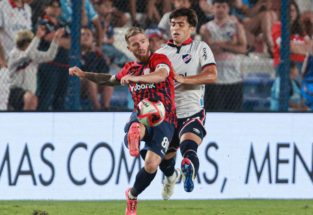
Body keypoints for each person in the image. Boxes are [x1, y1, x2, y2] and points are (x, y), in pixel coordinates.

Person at [69, 26, 177, 215]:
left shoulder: (159, 59)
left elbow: (162, 75)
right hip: (143, 113)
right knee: (138, 121)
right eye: (135, 44)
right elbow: (110, 80)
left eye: (143, 42)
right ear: (129, 48)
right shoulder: (129, 68)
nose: (141, 46)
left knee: (153, 165)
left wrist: (136, 78)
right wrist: (84, 74)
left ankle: (133, 194)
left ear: (148, 42)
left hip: (165, 119)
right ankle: (134, 136)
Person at [156, 8, 217, 198]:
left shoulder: (200, 48)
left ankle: (189, 171)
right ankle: (171, 175)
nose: (175, 28)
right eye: (173, 24)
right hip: (167, 116)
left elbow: (212, 75)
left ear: (191, 27)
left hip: (192, 112)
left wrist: (185, 79)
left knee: (189, 147)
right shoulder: (160, 53)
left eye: (181, 25)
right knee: (164, 163)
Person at [200, 0, 248, 111]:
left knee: (234, 114)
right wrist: (230, 44)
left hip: (233, 77)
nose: (220, 9)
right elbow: (206, 50)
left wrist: (219, 45)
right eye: (218, 6)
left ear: (228, 8)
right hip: (214, 79)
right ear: (213, 8)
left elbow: (243, 49)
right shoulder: (206, 28)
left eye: (223, 6)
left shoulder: (236, 26)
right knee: (214, 113)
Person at [7, 27, 63, 111]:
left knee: (31, 99)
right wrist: (38, 37)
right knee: (31, 99)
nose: (31, 45)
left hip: (29, 92)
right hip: (14, 91)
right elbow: (27, 55)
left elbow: (50, 56)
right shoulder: (14, 54)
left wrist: (56, 39)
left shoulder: (33, 54)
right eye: (30, 42)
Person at [0, 0, 33, 110]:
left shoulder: (28, 9)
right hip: (6, 64)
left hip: (23, 65)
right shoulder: (3, 5)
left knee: (29, 99)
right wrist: (2, 60)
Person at [80, 27, 112, 110]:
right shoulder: (74, 53)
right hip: (78, 84)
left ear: (92, 40)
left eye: (88, 35)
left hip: (95, 84)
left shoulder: (97, 55)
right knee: (90, 79)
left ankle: (106, 107)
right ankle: (97, 109)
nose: (86, 37)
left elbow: (104, 72)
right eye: (82, 34)